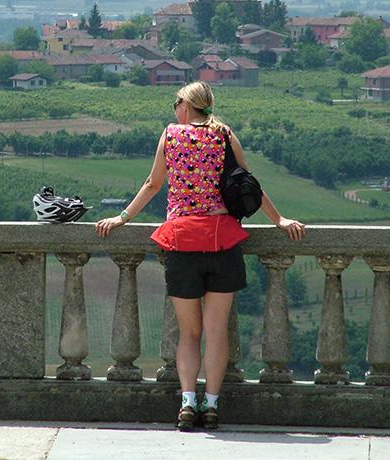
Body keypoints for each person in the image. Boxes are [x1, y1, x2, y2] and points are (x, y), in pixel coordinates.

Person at [96, 81, 306, 431]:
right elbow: (247, 183)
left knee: (190, 333)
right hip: (222, 240)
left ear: (184, 105)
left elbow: (152, 184)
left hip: (181, 242)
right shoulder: (225, 135)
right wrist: (280, 219)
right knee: (216, 331)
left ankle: (187, 403)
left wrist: (122, 217)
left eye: (175, 103)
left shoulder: (171, 135)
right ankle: (211, 406)